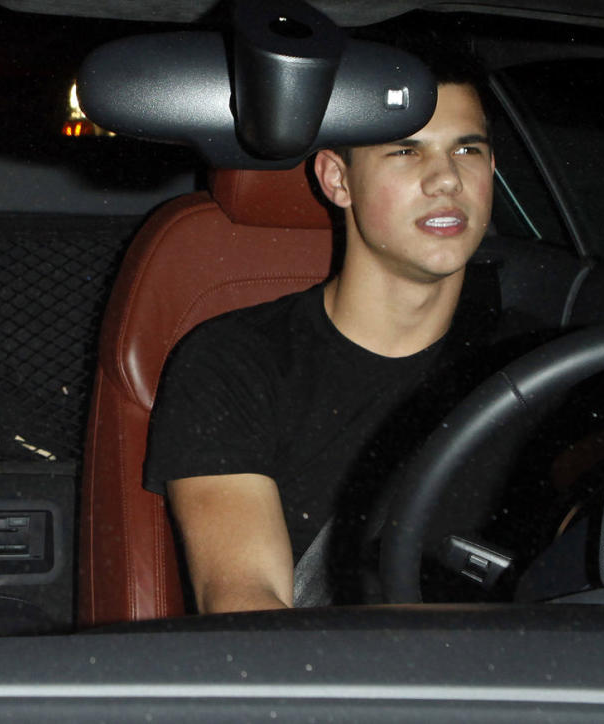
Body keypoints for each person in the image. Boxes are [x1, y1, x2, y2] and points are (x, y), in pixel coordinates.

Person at [145, 56, 512, 613]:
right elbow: (246, 600)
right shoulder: (235, 361)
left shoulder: (531, 362)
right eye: (406, 150)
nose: (447, 179)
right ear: (337, 180)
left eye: (468, 149)